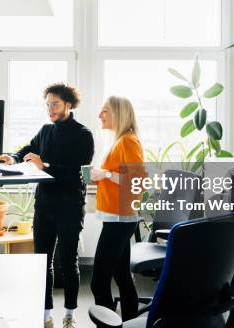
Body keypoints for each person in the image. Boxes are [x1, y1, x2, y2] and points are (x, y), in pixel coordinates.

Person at [0, 83, 94, 328]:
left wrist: (45, 166)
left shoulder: (84, 135)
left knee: (69, 262)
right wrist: (13, 157)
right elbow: (29, 149)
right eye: (48, 104)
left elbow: (76, 175)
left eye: (55, 104)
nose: (50, 109)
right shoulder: (45, 130)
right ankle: (46, 315)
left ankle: (70, 315)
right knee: (42, 262)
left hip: (70, 206)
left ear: (69, 105)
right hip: (45, 205)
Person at [89, 95, 145, 322]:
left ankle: (107, 324)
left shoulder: (128, 141)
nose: (99, 115)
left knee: (98, 282)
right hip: (117, 217)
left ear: (118, 114)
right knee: (122, 276)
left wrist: (107, 174)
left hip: (120, 220)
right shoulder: (120, 140)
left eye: (104, 111)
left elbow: (137, 179)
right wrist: (101, 177)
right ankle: (130, 322)